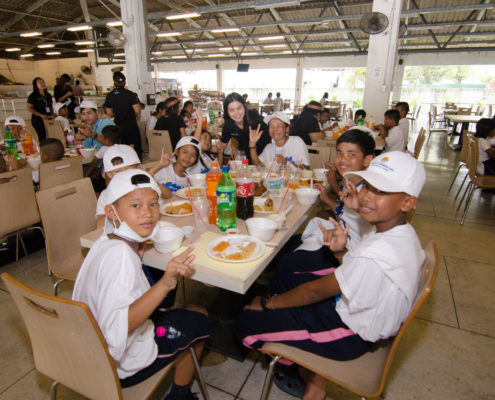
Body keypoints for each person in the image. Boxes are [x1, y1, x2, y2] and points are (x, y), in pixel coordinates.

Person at [235, 151, 426, 400]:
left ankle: (293, 365)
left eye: (381, 191)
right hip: (353, 306)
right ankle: (282, 324)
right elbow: (359, 277)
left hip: (347, 332)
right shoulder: (400, 234)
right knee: (285, 279)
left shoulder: (375, 253)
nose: (366, 196)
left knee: (244, 323)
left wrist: (267, 304)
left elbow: (315, 292)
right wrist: (339, 255)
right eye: (367, 186)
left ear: (407, 202)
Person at [72, 169, 210, 398]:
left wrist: (141, 244)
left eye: (153, 204)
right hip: (123, 364)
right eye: (135, 206)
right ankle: (180, 395)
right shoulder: (121, 258)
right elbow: (121, 324)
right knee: (201, 321)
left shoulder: (106, 240)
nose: (147, 213)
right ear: (111, 211)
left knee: (189, 310)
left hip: (90, 347)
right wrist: (165, 283)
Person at [315, 129, 375, 250]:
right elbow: (343, 212)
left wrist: (333, 185)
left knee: (286, 261)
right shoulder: (350, 179)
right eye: (339, 153)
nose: (342, 159)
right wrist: (326, 198)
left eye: (351, 154)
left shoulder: (367, 193)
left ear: (367, 160)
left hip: (349, 250)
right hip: (342, 235)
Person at [95, 144, 173, 228]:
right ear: (110, 174)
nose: (125, 175)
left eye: (129, 170)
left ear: (138, 168)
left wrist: (149, 178)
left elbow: (168, 195)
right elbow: (100, 224)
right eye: (118, 172)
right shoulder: (107, 194)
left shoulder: (146, 187)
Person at [217, 92, 270, 165]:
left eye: (239, 108)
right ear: (227, 112)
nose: (236, 113)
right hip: (244, 160)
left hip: (263, 160)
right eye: (231, 110)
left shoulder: (256, 120)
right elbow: (222, 145)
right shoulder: (228, 125)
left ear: (244, 106)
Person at [104, 72, 142, 159]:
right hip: (131, 126)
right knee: (135, 151)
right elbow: (137, 110)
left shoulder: (109, 96)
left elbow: (109, 113)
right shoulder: (131, 94)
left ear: (114, 82)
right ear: (125, 82)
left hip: (117, 128)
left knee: (121, 151)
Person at [85, 125, 121, 189]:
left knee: (91, 183)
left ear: (106, 140)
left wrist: (85, 177)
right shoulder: (122, 147)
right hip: (119, 179)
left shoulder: (104, 149)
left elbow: (93, 164)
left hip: (106, 181)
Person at [27, 77, 53, 142]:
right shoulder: (33, 96)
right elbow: (29, 108)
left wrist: (52, 113)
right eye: (40, 82)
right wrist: (40, 115)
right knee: (42, 136)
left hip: (48, 118)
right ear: (36, 85)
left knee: (50, 135)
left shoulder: (48, 95)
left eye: (43, 82)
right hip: (38, 119)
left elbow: (50, 105)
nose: (42, 84)